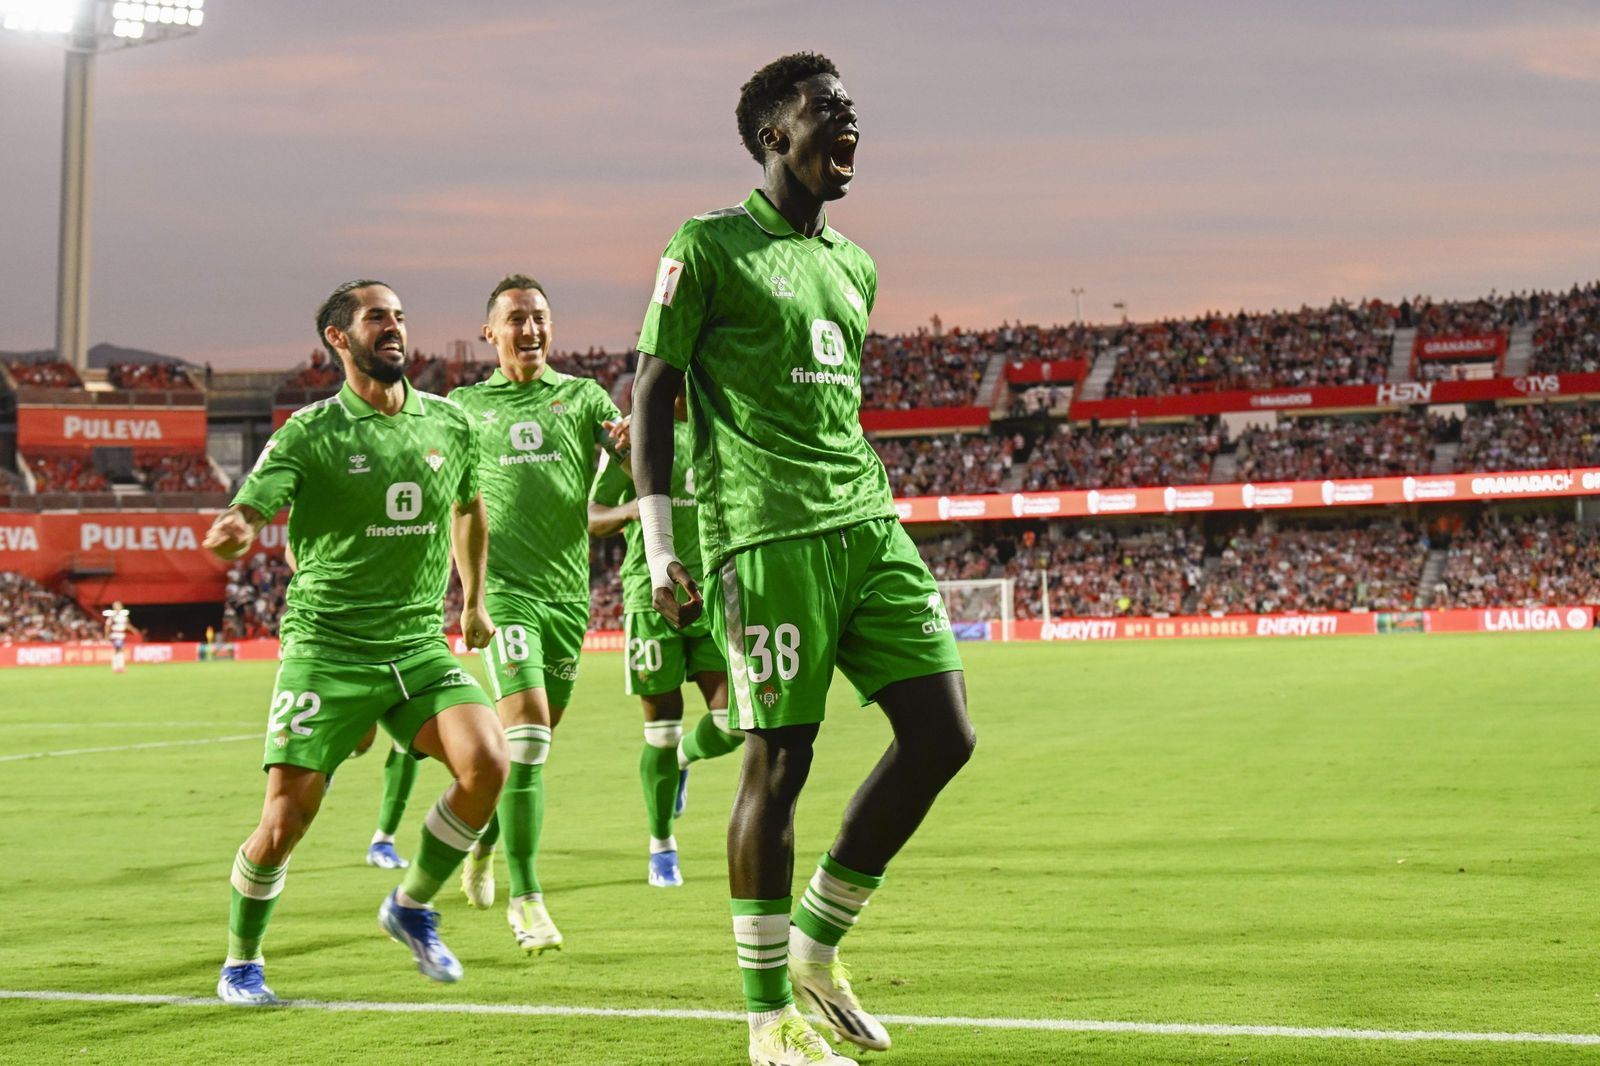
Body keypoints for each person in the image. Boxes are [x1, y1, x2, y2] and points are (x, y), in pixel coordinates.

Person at [631, 52, 976, 1066]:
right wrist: (663, 543)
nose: (847, 119)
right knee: (779, 761)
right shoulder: (707, 245)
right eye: (826, 107)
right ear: (773, 134)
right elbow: (652, 388)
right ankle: (765, 1018)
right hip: (766, 535)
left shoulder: (855, 265)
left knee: (943, 734)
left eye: (852, 107)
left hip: (865, 520)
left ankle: (817, 948)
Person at [204, 279, 508, 1006]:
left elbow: (469, 508)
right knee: (284, 822)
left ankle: (410, 906)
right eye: (377, 317)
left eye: (399, 316)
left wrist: (473, 599)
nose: (394, 326)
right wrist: (237, 526)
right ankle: (241, 962)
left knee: (489, 763)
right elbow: (253, 504)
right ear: (339, 338)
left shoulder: (449, 423)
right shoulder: (310, 432)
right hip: (328, 648)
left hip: (417, 646)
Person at [442, 273, 629, 954]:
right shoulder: (464, 408)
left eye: (540, 317)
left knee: (528, 753)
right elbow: (457, 506)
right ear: (489, 332)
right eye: (516, 318)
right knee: (524, 743)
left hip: (567, 600)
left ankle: (483, 841)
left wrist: (634, 441)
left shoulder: (582, 397)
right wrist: (472, 599)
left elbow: (632, 455)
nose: (530, 329)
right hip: (506, 596)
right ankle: (528, 902)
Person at [588, 385, 743, 889]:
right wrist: (633, 510)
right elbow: (593, 515)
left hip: (712, 594)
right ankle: (661, 846)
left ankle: (681, 760)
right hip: (651, 597)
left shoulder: (720, 429)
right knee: (661, 729)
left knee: (735, 724)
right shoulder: (634, 439)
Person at [102, 600, 135, 673]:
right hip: (115, 635)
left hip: (121, 635)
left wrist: (134, 630)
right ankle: (118, 667)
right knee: (119, 650)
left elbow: (127, 625)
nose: (117, 607)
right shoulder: (112, 616)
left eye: (119, 606)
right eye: (116, 606)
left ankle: (118, 667)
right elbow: (107, 626)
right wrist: (106, 636)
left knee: (119, 650)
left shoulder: (124, 616)